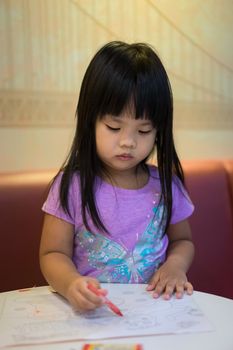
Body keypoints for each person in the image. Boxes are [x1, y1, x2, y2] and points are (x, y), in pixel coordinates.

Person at [39, 41, 195, 312]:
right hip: (94, 315)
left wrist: (175, 265)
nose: (128, 142)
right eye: (114, 126)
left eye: (144, 131)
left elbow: (184, 241)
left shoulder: (167, 186)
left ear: (159, 131)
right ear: (90, 121)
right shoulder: (71, 186)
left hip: (155, 312)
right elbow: (52, 253)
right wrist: (71, 283)